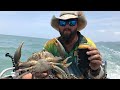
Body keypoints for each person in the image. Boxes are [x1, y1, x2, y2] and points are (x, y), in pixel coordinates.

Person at [22, 11, 107, 79]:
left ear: (77, 25)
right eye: (62, 23)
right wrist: (39, 73)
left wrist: (95, 69)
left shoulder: (88, 45)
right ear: (59, 26)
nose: (67, 26)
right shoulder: (51, 45)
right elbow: (42, 67)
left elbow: (98, 76)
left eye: (72, 22)